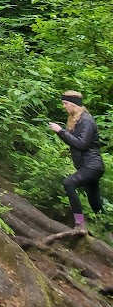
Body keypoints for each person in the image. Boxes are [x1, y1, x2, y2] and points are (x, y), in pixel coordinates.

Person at [49, 90, 105, 231]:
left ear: (74, 104)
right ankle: (107, 231)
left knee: (68, 183)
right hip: (87, 167)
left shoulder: (86, 120)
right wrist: (62, 133)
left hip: (92, 166)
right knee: (95, 202)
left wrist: (61, 131)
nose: (64, 106)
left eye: (65, 103)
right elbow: (73, 142)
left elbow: (81, 144)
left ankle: (79, 224)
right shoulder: (77, 119)